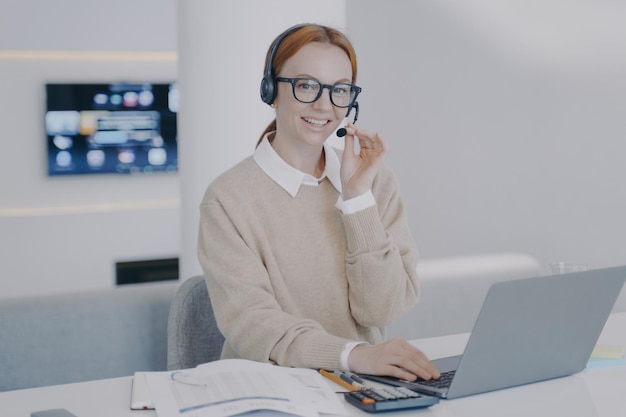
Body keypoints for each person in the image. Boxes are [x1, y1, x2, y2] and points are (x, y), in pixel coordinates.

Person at [198, 23, 439, 382]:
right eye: (307, 85)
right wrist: (351, 355)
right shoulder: (228, 198)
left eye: (340, 90)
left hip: (363, 386)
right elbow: (252, 324)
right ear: (271, 91)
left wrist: (357, 200)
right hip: (270, 388)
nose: (325, 105)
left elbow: (382, 309)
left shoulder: (374, 181)